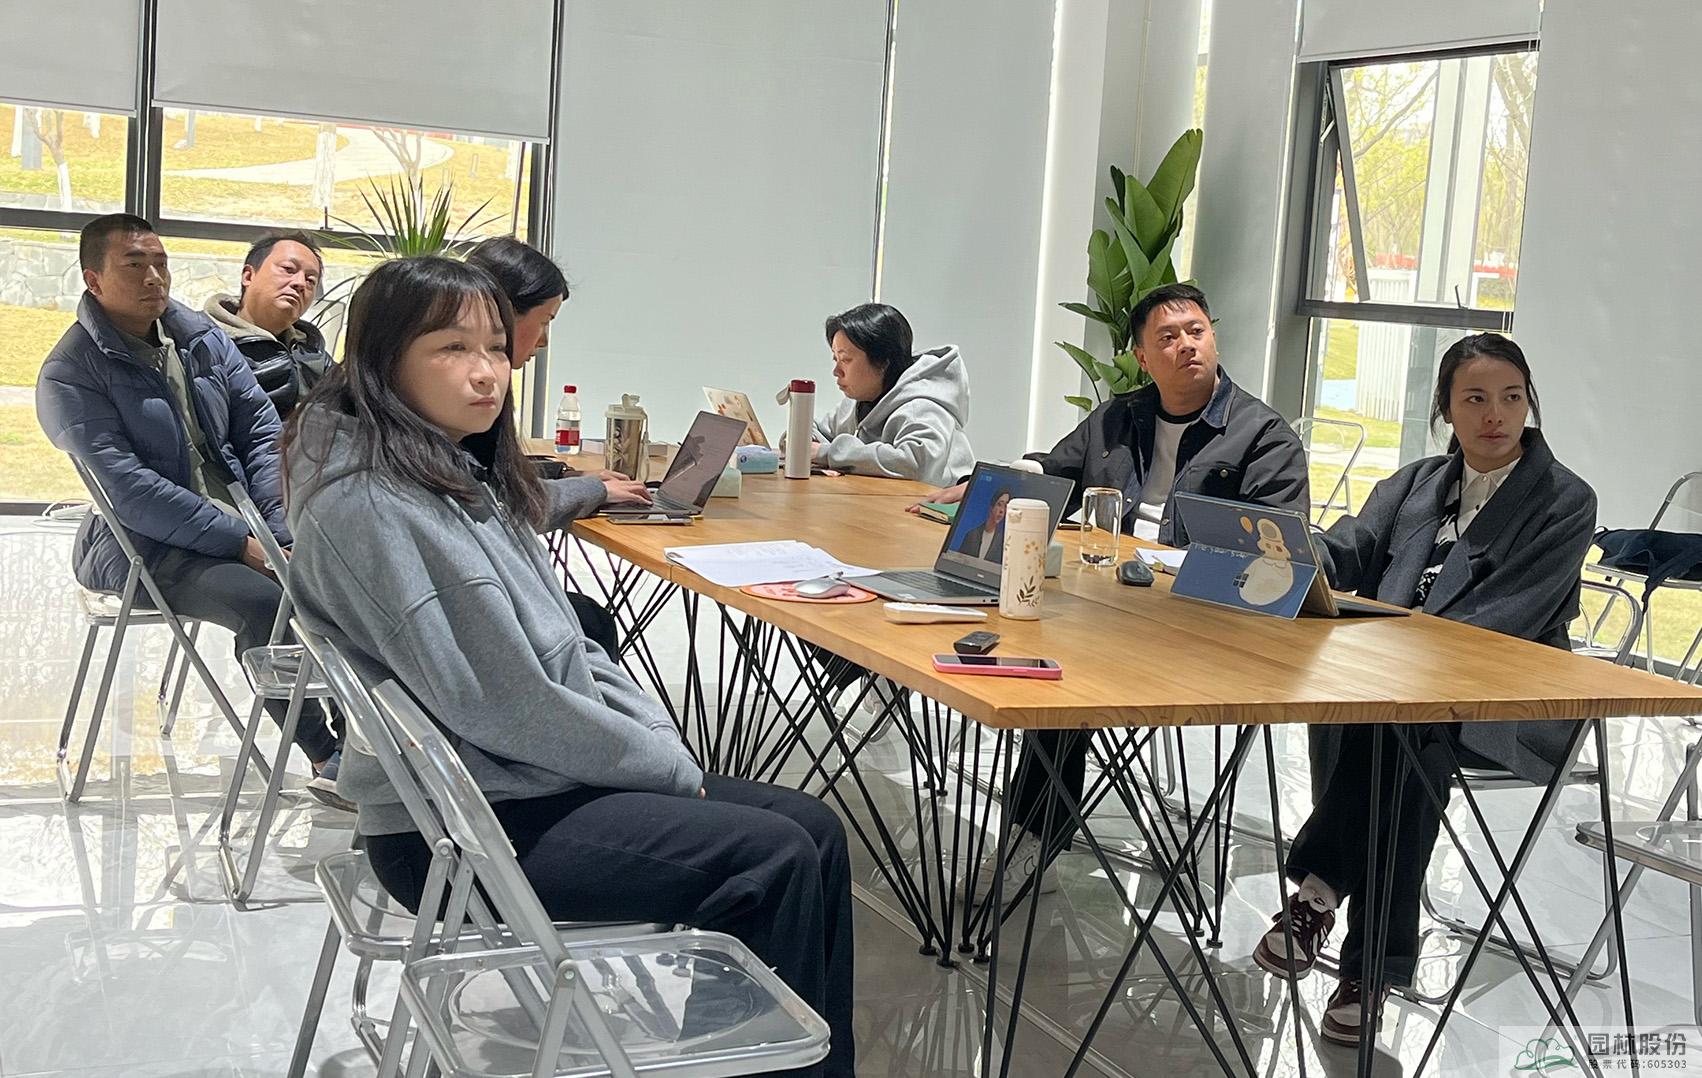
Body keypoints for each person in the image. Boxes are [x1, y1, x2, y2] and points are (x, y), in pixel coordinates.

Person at [281, 256, 855, 1078]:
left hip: (506, 785)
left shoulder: (447, 472)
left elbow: (569, 649)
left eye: (496, 347)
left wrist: (657, 749)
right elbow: (509, 703)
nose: (489, 372)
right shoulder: (372, 505)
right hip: (454, 834)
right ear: (382, 360)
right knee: (773, 858)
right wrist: (662, 765)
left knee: (815, 830)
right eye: (451, 349)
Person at [1251, 333, 1596, 1045]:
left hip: (1506, 700)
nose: (1496, 415)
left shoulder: (1564, 500)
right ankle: (1369, 973)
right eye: (1475, 399)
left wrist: (1395, 655)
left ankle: (1318, 895)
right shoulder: (1417, 483)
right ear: (1445, 410)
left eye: (1511, 397)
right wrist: (1291, 554)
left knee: (1405, 729)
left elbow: (1508, 619)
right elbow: (1346, 549)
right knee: (1397, 730)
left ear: (1530, 403)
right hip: (1390, 691)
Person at [929, 283, 1310, 901]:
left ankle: (1030, 842)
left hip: (1201, 627)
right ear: (1141, 356)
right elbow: (1055, 473)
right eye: (1168, 337)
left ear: (1213, 337)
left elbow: (1278, 557)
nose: (1186, 345)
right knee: (1007, 635)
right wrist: (992, 484)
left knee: (1064, 679)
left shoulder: (1263, 436)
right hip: (1108, 603)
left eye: (1196, 331)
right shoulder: (1117, 417)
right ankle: (1031, 830)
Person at [36, 214, 346, 808]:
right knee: (267, 602)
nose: (154, 277)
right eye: (135, 265)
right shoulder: (70, 372)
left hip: (241, 526)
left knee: (338, 573)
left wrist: (278, 531)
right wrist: (243, 545)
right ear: (93, 280)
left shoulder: (200, 337)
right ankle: (324, 752)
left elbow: (261, 436)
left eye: (160, 263)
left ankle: (367, 741)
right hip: (138, 545)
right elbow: (131, 492)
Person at [464, 236, 650, 657]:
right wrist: (593, 489)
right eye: (545, 320)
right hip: (483, 611)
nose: (545, 340)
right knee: (590, 621)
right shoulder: (472, 396)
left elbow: (487, 488)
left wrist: (568, 478)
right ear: (502, 313)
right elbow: (501, 506)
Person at [809, 303, 975, 487]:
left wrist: (827, 453)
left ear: (883, 361)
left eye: (846, 359)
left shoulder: (922, 407)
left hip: (936, 503)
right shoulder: (857, 402)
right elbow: (814, 431)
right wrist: (804, 441)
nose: (836, 371)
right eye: (836, 359)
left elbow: (913, 464)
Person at [204, 230, 335, 419]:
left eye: (310, 280)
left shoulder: (314, 351)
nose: (300, 283)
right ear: (248, 276)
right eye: (288, 269)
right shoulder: (204, 341)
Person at [950, 488, 1011, 561]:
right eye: (999, 504)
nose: (1002, 510)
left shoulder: (1003, 542)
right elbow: (958, 562)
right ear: (991, 507)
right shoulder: (972, 535)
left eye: (1005, 506)